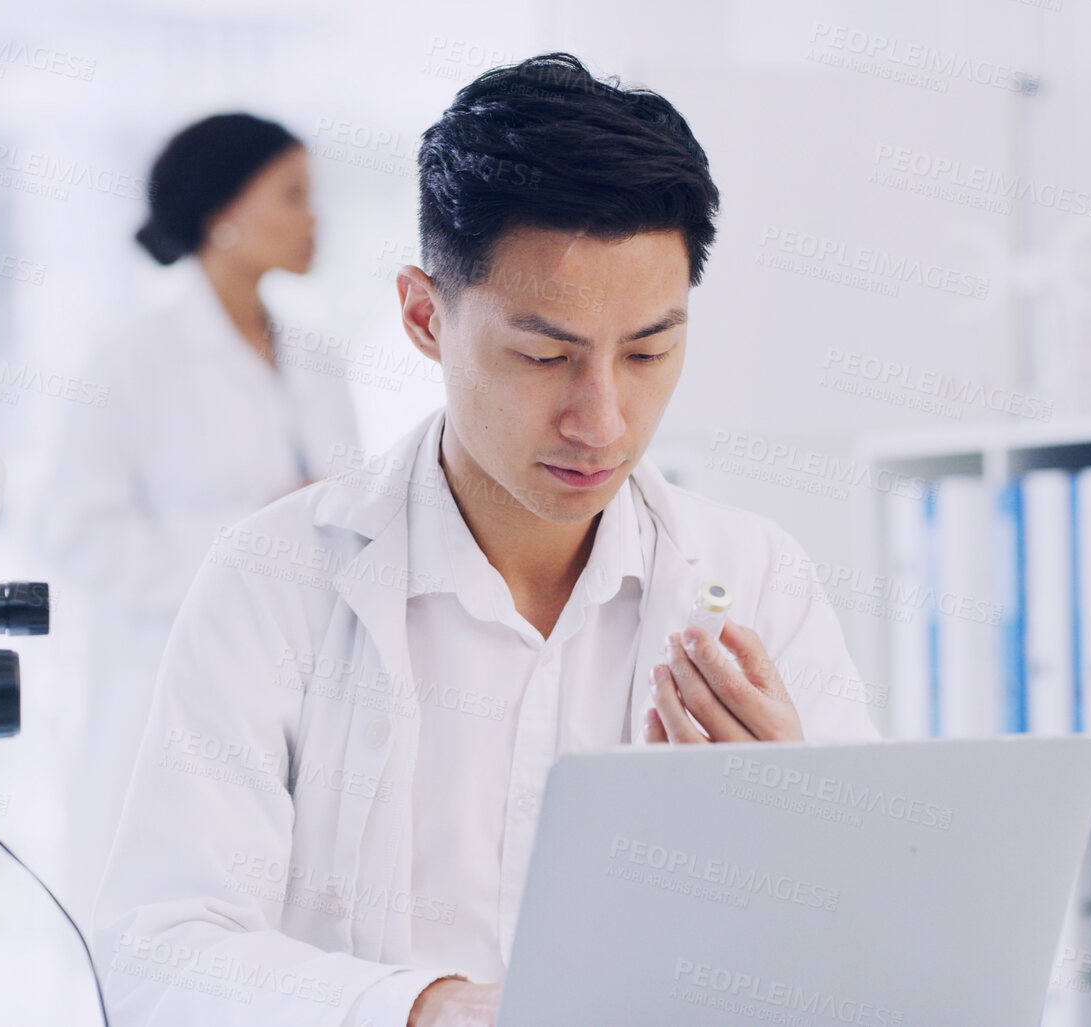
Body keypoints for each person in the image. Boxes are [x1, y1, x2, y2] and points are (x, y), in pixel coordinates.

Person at [92, 55, 879, 1026]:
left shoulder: (757, 580)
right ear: (425, 316)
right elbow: (159, 955)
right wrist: (424, 1009)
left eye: (648, 351)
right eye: (544, 355)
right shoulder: (274, 580)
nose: (602, 420)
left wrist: (797, 847)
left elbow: (866, 962)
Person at [48, 113, 358, 903]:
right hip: (165, 684)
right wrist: (248, 538)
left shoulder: (316, 358)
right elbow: (74, 533)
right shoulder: (133, 357)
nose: (313, 218)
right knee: (168, 917)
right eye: (292, 195)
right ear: (224, 212)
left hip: (305, 686)